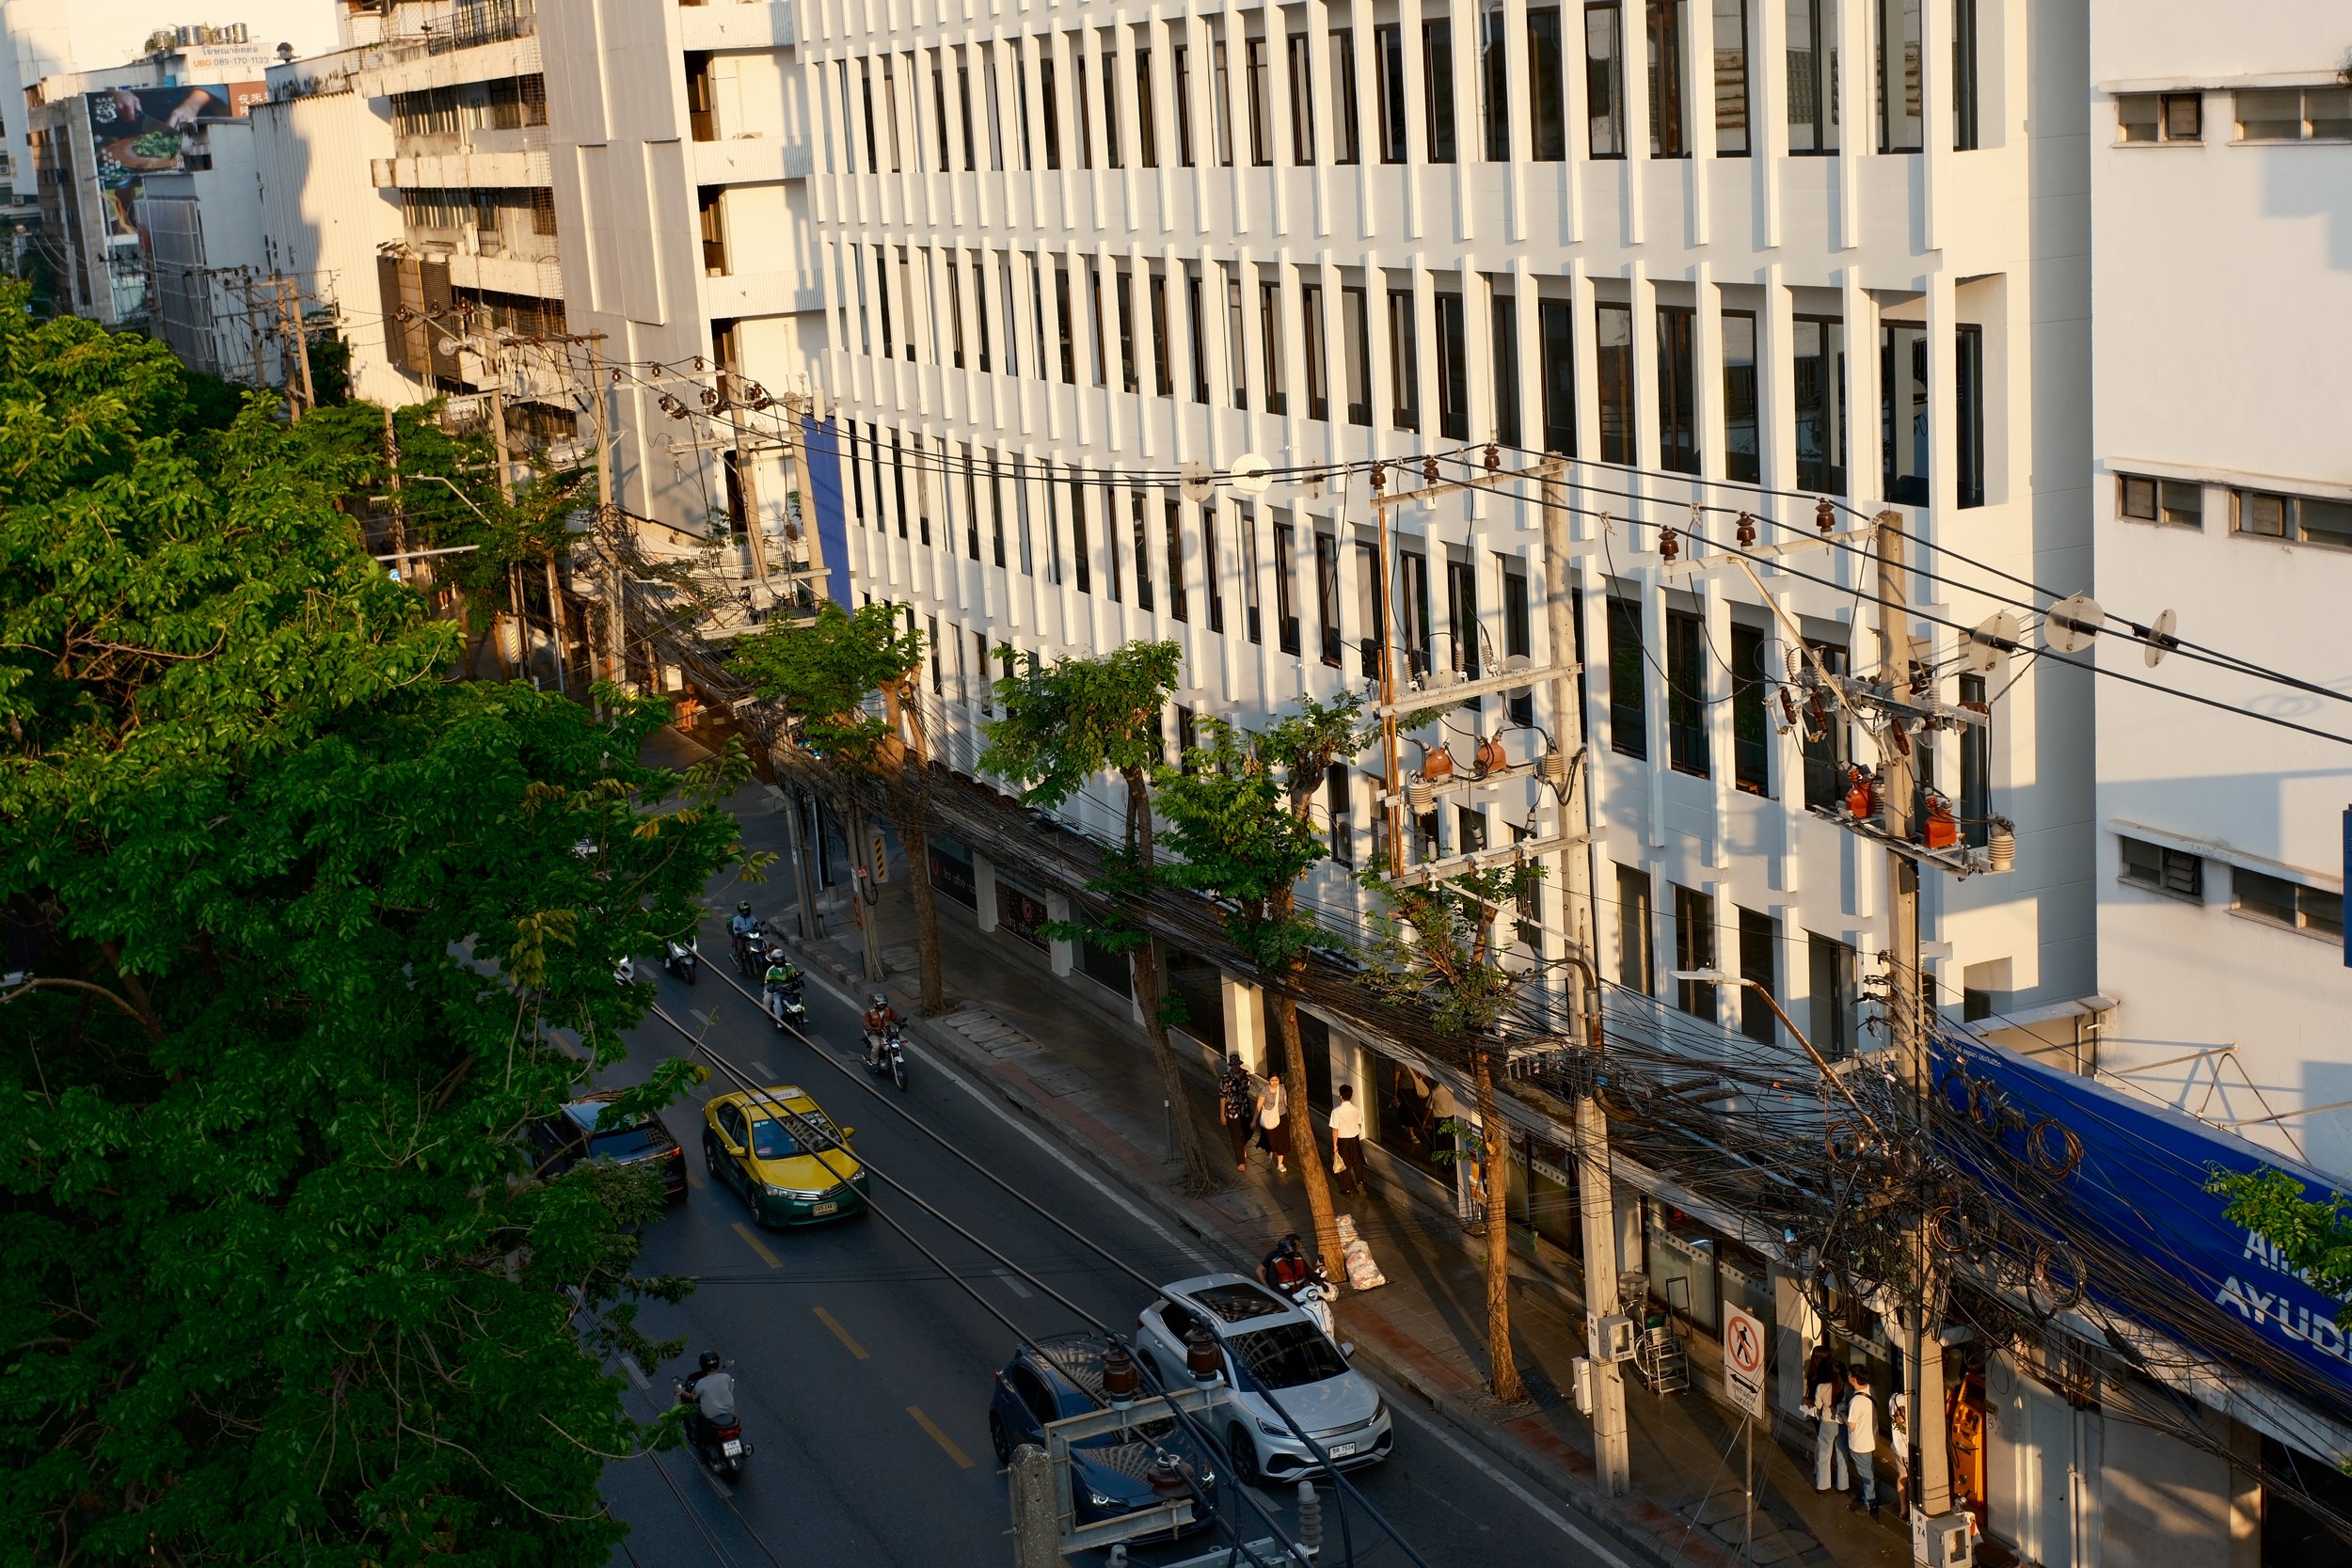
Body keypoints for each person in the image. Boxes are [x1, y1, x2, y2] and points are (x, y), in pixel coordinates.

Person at [1804, 1357, 1847, 1493]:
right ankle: (1843, 1485)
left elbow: (1817, 1406)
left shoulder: (1821, 1387)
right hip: (1842, 1424)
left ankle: (1823, 1485)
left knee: (1824, 1455)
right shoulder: (1847, 1389)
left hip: (1827, 1423)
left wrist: (1806, 1402)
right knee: (1842, 1456)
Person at [679, 1351, 737, 1443]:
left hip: (711, 1414)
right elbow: (731, 1390)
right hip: (729, 1411)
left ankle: (695, 1436)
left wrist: (681, 1392)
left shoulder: (701, 1384)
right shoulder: (726, 1377)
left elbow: (692, 1398)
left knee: (693, 1412)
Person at [1845, 1365, 1879, 1516]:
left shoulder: (1856, 1401)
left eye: (1850, 1374)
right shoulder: (1871, 1390)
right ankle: (1867, 1495)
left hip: (1859, 1443)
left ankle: (1870, 1502)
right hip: (1870, 1439)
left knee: (1866, 1474)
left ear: (1854, 1379)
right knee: (1868, 1470)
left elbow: (1851, 1425)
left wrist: (1842, 1416)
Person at [1329, 1083, 1368, 1196]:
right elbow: (1359, 1124)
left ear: (1341, 1096)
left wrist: (1335, 1145)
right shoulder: (1356, 1109)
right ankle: (1360, 1182)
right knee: (1357, 1162)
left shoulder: (1336, 1111)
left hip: (1343, 1140)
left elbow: (1335, 1129)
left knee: (1345, 1164)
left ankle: (1348, 1189)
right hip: (1354, 1139)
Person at [1217, 1054, 1255, 1173]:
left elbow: (1247, 1090)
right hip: (1232, 1111)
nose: (1235, 1066)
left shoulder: (1246, 1074)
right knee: (1236, 1137)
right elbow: (1222, 1097)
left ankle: (1242, 1147)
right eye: (1233, 1065)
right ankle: (1240, 1161)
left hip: (1245, 1108)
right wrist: (1222, 1114)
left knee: (1248, 1132)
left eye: (1237, 1064)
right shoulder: (1226, 1078)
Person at [1256, 1072, 1289, 1176]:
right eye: (1272, 1080)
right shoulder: (1265, 1090)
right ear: (1268, 1080)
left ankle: (1280, 1163)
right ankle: (1269, 1152)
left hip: (1281, 1117)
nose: (1274, 1083)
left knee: (1282, 1140)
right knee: (1271, 1138)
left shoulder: (1282, 1089)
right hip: (1269, 1118)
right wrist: (1254, 1120)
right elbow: (1259, 1106)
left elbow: (1285, 1103)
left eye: (1276, 1080)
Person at [1887, 1387, 1912, 1523]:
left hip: (1897, 1447)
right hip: (1910, 1450)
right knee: (1914, 1481)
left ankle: (1903, 1509)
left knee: (1902, 1476)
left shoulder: (1894, 1399)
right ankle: (1914, 1511)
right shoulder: (1913, 1401)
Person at [863, 992, 901, 1066]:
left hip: (886, 1033)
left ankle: (892, 1057)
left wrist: (900, 1021)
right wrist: (870, 1028)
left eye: (883, 1004)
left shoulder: (888, 1010)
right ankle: (874, 1062)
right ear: (876, 1004)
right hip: (874, 1034)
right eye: (880, 1004)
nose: (882, 1005)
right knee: (876, 1045)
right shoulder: (870, 1013)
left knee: (896, 1043)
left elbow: (895, 1016)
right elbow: (865, 1022)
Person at [761, 951, 800, 1022]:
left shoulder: (789, 966)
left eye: (781, 958)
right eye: (777, 959)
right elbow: (767, 983)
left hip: (788, 988)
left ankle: (801, 1016)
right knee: (776, 1002)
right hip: (777, 990)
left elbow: (795, 975)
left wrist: (797, 980)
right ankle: (779, 1021)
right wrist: (771, 988)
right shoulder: (771, 970)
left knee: (798, 999)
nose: (779, 961)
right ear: (774, 960)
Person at [728, 901, 761, 970]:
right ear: (740, 911)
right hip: (742, 936)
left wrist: (758, 928)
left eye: (746, 910)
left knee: (761, 945)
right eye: (744, 911)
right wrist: (738, 934)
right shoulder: (737, 919)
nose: (745, 912)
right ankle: (740, 963)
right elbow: (735, 928)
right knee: (740, 949)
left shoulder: (752, 917)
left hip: (751, 935)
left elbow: (756, 923)